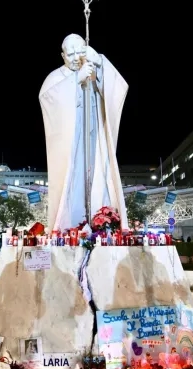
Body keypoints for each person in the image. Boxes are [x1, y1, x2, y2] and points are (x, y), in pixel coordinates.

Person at [39, 34, 129, 231]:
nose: (75, 58)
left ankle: (102, 221)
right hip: (71, 143)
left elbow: (118, 88)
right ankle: (70, 226)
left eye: (80, 52)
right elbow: (48, 100)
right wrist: (75, 81)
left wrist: (99, 63)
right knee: (73, 183)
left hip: (94, 139)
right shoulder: (55, 78)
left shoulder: (91, 70)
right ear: (62, 55)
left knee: (99, 177)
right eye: (70, 54)